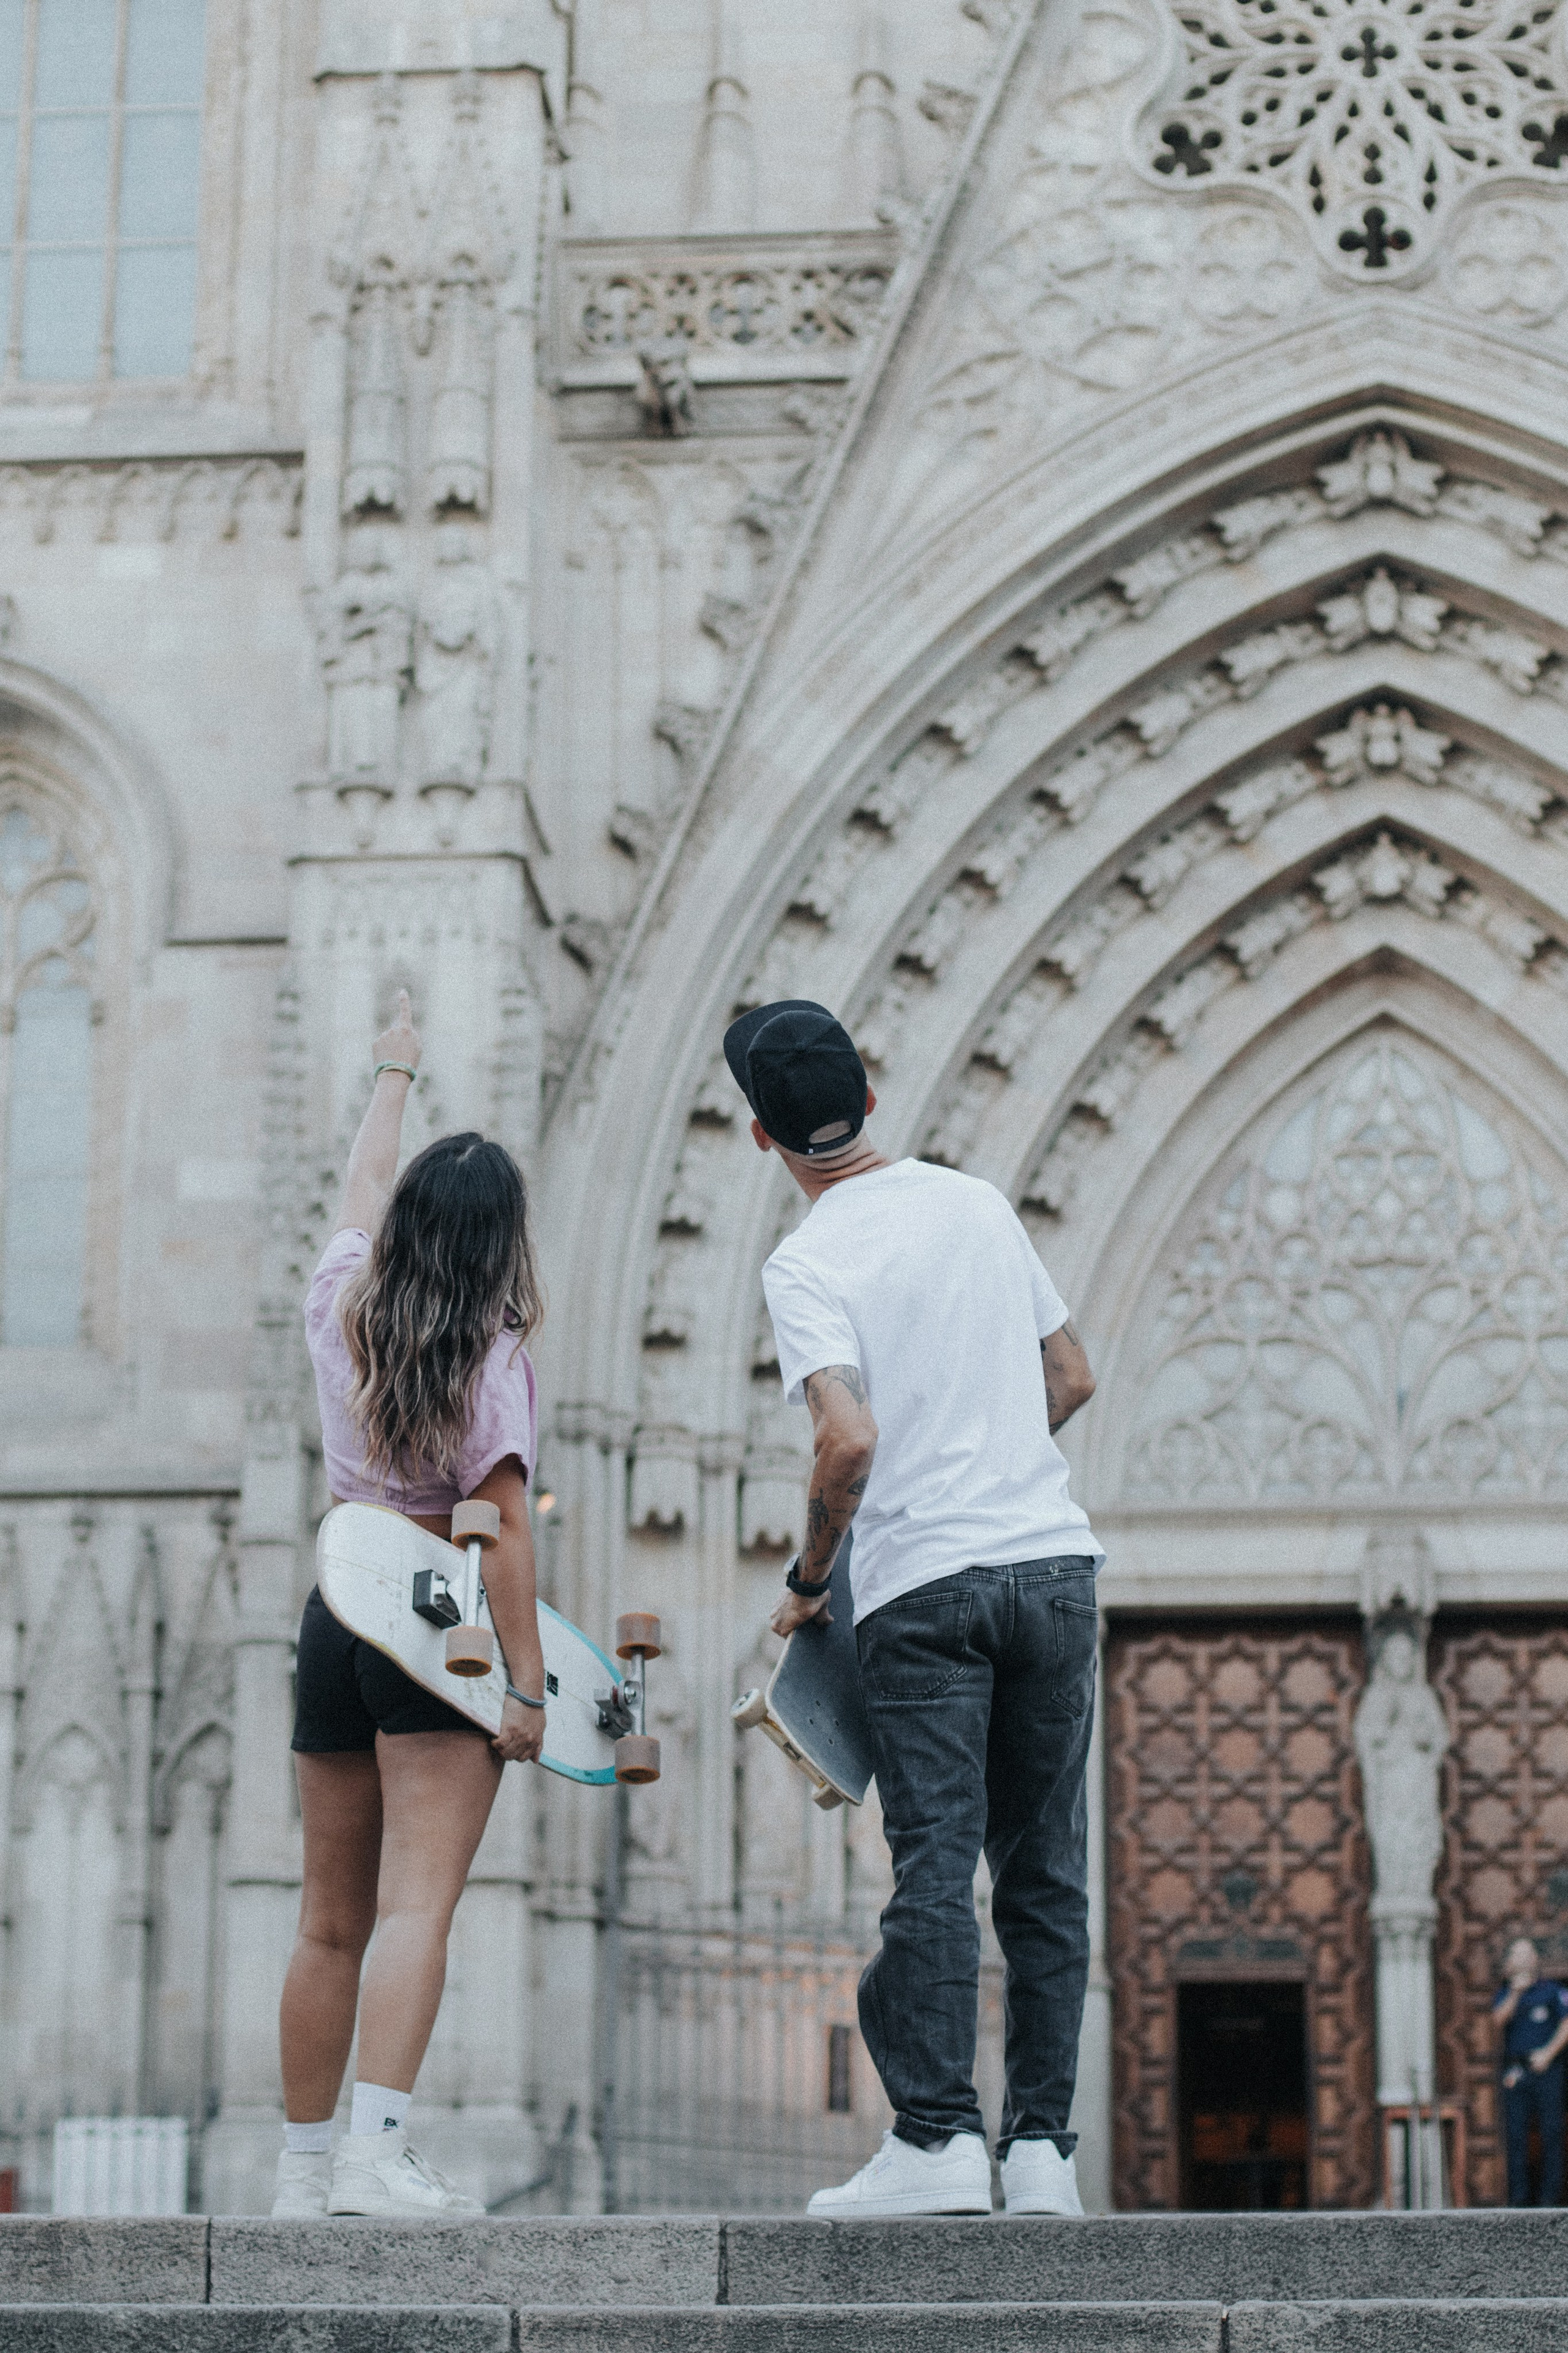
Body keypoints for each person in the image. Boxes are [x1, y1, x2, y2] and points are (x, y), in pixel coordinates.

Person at [728, 999, 1101, 2219]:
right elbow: (1070, 1374)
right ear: (873, 1100)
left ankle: (939, 2135)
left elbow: (844, 1438)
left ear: (757, 1140)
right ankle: (1041, 2151)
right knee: (1042, 1869)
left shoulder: (805, 1260)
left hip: (923, 1592)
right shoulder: (977, 1204)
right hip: (1050, 1566)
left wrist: (808, 1579)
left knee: (934, 1864)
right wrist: (989, 1459)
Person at [271, 991, 549, 2219]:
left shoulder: (341, 1304)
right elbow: (506, 1534)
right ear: (498, 1246)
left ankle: (297, 2171)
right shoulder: (488, 1359)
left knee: (326, 1921)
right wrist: (530, 1687)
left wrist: (392, 1071)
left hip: (333, 1614)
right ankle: (374, 2158)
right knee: (415, 1907)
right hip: (436, 1627)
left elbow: (353, 1195)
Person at [1494, 1936, 1568, 2207]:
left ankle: (1551, 2199)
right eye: (1517, 1954)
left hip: (1548, 2069)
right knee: (1516, 2133)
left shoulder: (1551, 1991)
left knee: (1551, 2132)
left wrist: (1548, 2054)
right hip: (1517, 2071)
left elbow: (1567, 2023)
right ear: (1510, 1962)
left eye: (1528, 1954)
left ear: (1536, 1959)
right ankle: (1519, 2199)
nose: (1523, 1959)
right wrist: (1516, 1992)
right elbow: (1498, 2021)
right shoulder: (1505, 1992)